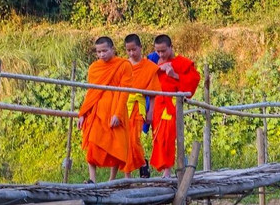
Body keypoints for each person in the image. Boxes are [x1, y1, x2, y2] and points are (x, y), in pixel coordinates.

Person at [78, 36, 133, 182]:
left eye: (104, 51)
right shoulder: (94, 68)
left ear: (112, 49)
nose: (101, 54)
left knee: (116, 145)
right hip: (96, 110)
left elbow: (124, 91)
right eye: (98, 52)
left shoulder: (124, 65)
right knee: (92, 143)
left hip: (115, 109)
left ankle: (111, 179)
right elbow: (91, 92)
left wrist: (118, 114)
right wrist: (83, 113)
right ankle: (92, 179)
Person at [150, 34, 201, 177]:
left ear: (171, 47)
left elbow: (193, 81)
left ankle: (168, 171)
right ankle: (165, 169)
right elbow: (145, 74)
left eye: (163, 51)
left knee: (168, 136)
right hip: (158, 105)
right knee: (158, 136)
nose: (160, 54)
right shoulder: (154, 60)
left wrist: (174, 75)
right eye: (158, 51)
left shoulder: (182, 62)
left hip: (172, 104)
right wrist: (158, 69)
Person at [124, 33, 162, 178]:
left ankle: (141, 163)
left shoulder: (149, 67)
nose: (132, 53)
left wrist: (150, 111)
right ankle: (128, 175)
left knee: (134, 140)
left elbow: (152, 93)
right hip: (124, 107)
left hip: (138, 107)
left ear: (140, 48)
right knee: (125, 142)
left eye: (134, 49)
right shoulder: (123, 65)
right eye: (128, 50)